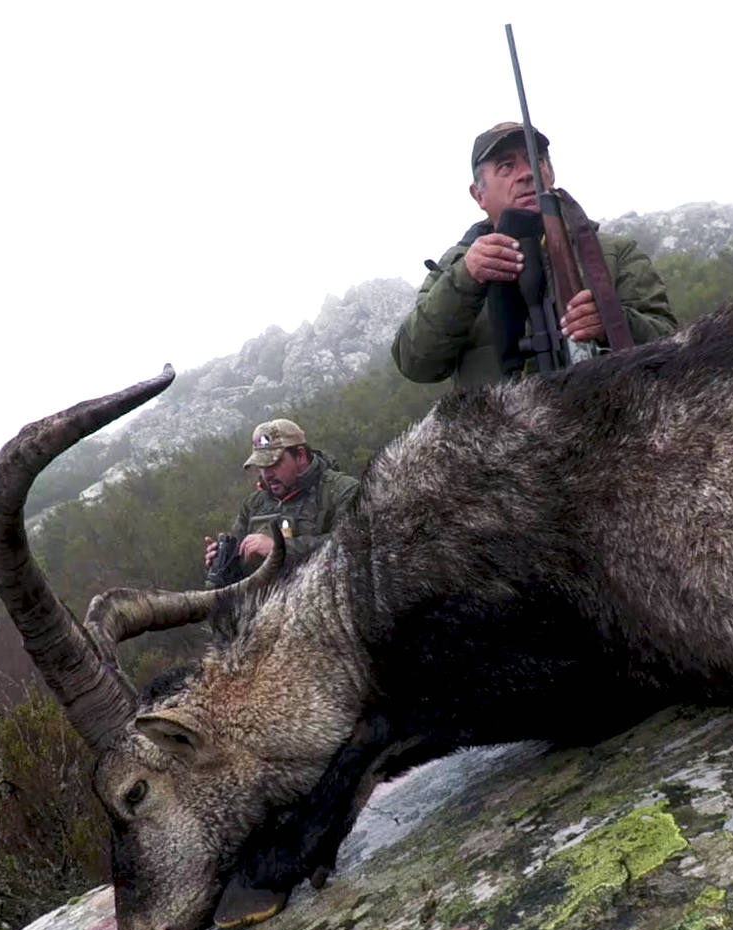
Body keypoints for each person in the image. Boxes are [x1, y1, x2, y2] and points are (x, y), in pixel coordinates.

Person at [392, 122, 678, 388]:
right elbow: (415, 362)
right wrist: (465, 279)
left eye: (536, 160)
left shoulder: (615, 253)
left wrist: (613, 322)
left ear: (550, 174)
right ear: (479, 195)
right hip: (499, 438)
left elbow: (672, 349)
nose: (527, 173)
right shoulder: (455, 269)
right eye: (506, 166)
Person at [203, 419, 360, 585]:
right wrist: (221, 564)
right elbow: (239, 579)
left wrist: (280, 549)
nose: (267, 474)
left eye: (274, 463)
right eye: (262, 466)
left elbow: (354, 548)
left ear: (300, 456)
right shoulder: (253, 505)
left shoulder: (342, 491)